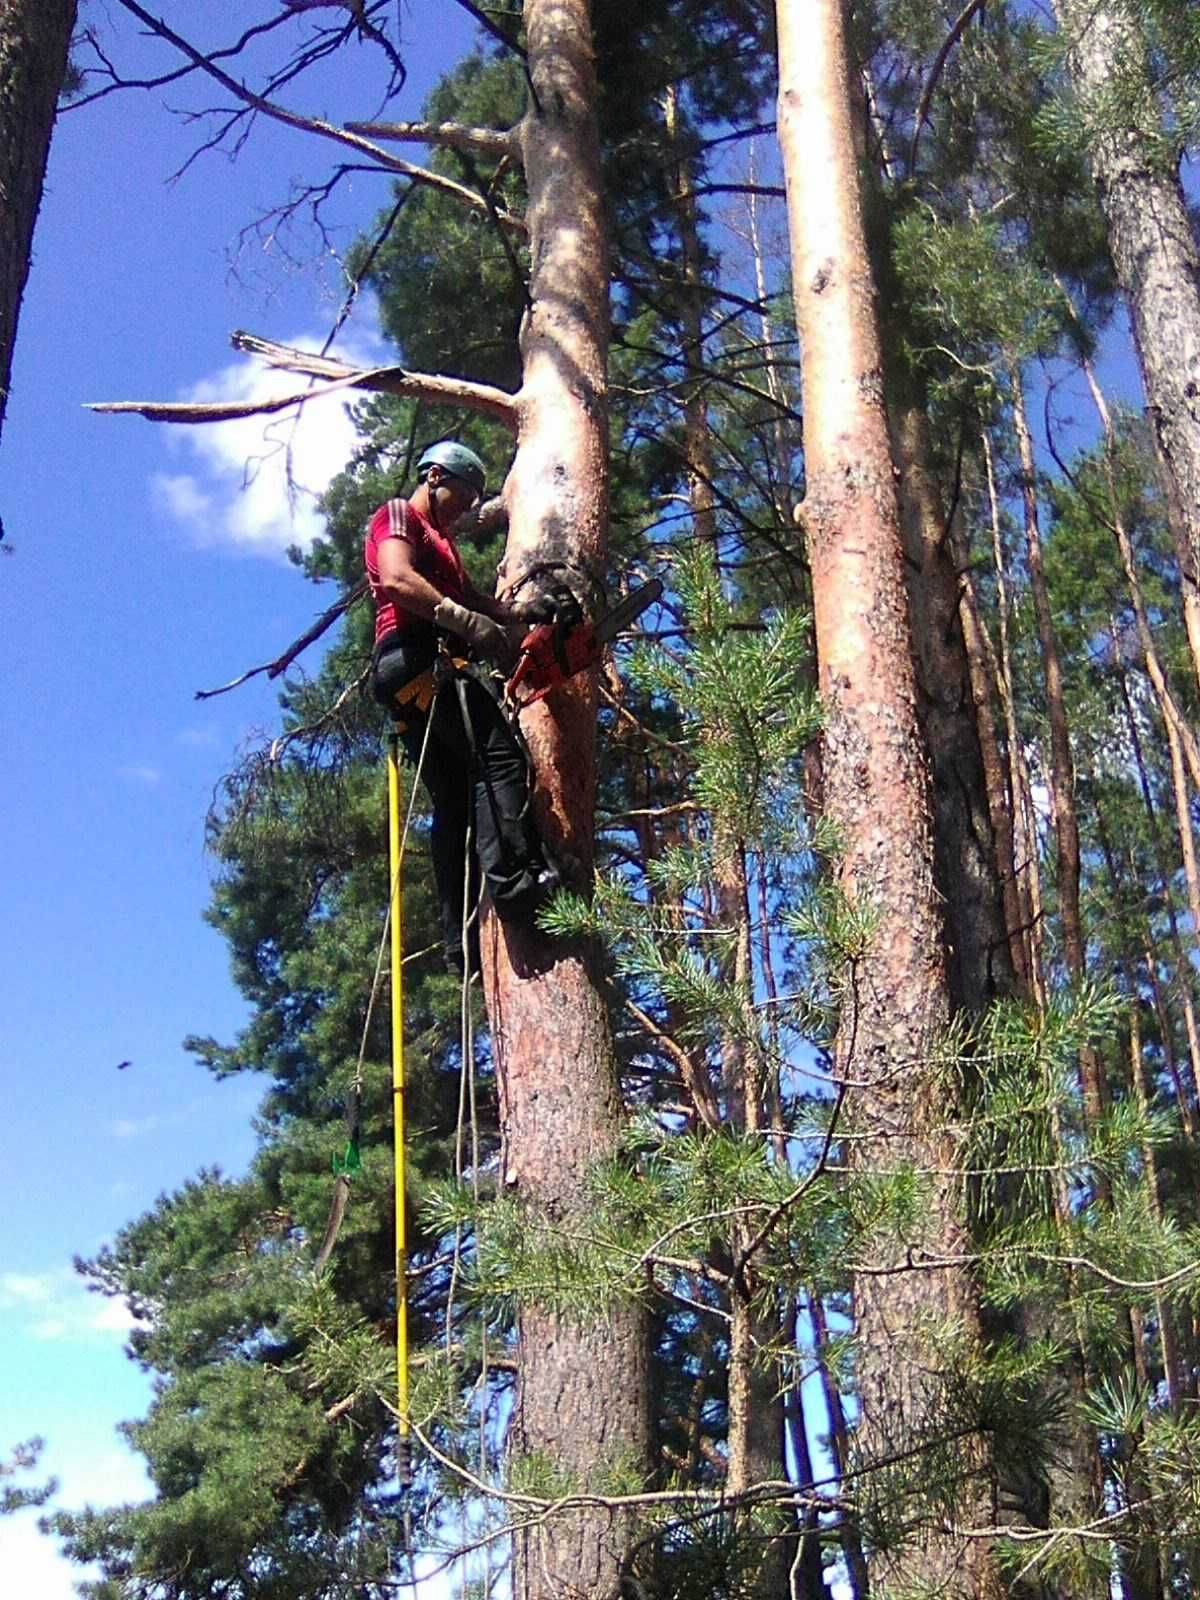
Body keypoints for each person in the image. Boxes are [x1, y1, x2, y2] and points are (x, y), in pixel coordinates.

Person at [366, 440, 558, 976]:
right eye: (462, 495)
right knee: (499, 761)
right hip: (417, 659)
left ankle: (461, 942)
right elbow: (396, 578)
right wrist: (463, 623)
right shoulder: (400, 516)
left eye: (476, 499)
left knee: (454, 803)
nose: (469, 508)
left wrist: (519, 611)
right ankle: (519, 888)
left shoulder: (444, 548)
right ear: (433, 476)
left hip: (410, 678)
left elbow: (475, 600)